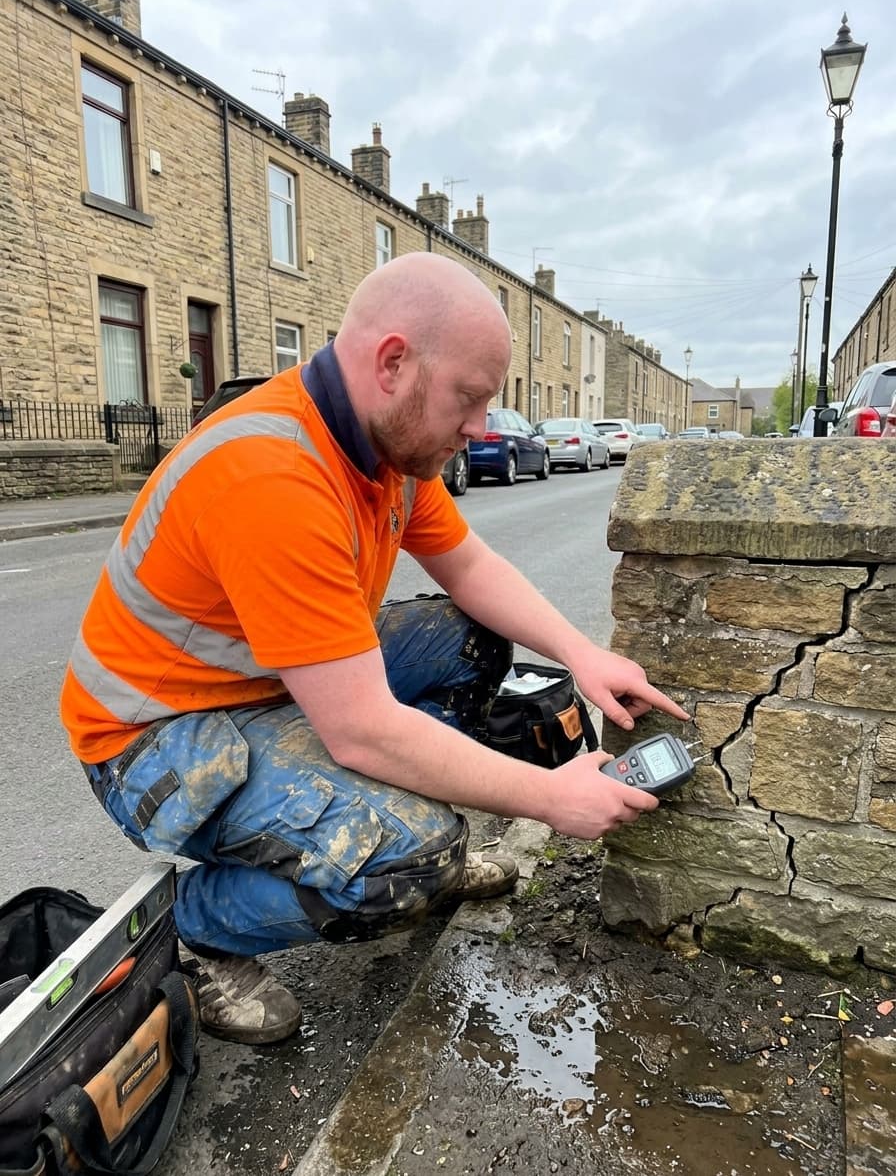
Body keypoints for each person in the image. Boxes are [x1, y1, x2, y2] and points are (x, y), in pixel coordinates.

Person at [60, 253, 688, 1045]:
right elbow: (362, 728)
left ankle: (356, 821)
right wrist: (551, 797)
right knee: (412, 858)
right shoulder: (272, 477)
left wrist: (579, 653)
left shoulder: (386, 450)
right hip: (157, 736)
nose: (482, 428)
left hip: (270, 684)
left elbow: (469, 566)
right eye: (470, 398)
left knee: (471, 640)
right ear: (393, 362)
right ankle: (200, 932)